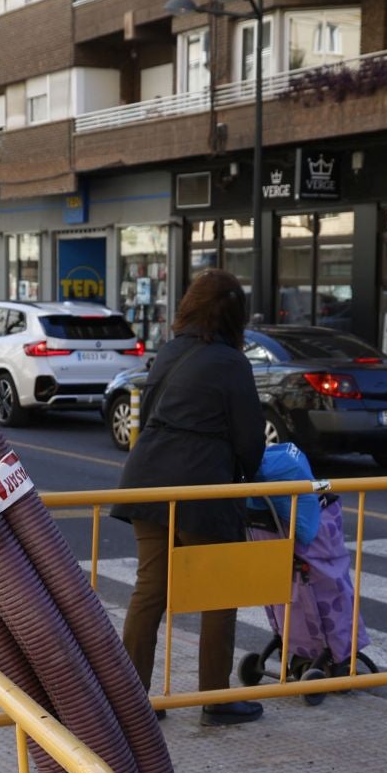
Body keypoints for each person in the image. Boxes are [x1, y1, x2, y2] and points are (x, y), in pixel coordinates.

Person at [111, 268, 267, 727]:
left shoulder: (170, 351)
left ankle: (131, 702)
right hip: (203, 487)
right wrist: (252, 473)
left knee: (149, 592)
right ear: (235, 316)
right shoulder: (232, 362)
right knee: (219, 594)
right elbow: (249, 439)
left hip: (148, 480)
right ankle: (216, 699)